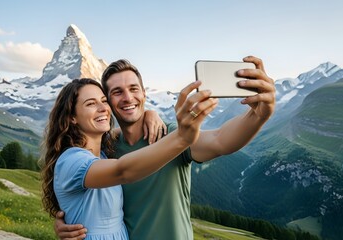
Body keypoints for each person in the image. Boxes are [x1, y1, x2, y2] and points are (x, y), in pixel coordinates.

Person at [54, 56, 276, 240]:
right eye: (117, 92)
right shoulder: (109, 148)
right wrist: (64, 219)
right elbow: (79, 185)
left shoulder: (170, 135)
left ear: (144, 94)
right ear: (110, 103)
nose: (128, 97)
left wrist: (259, 116)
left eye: (134, 89)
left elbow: (220, 140)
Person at [41, 78, 216, 239]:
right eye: (90, 104)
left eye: (104, 101)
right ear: (72, 117)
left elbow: (125, 131)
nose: (103, 108)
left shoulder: (102, 152)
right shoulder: (71, 160)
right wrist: (182, 138)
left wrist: (148, 114)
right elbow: (122, 171)